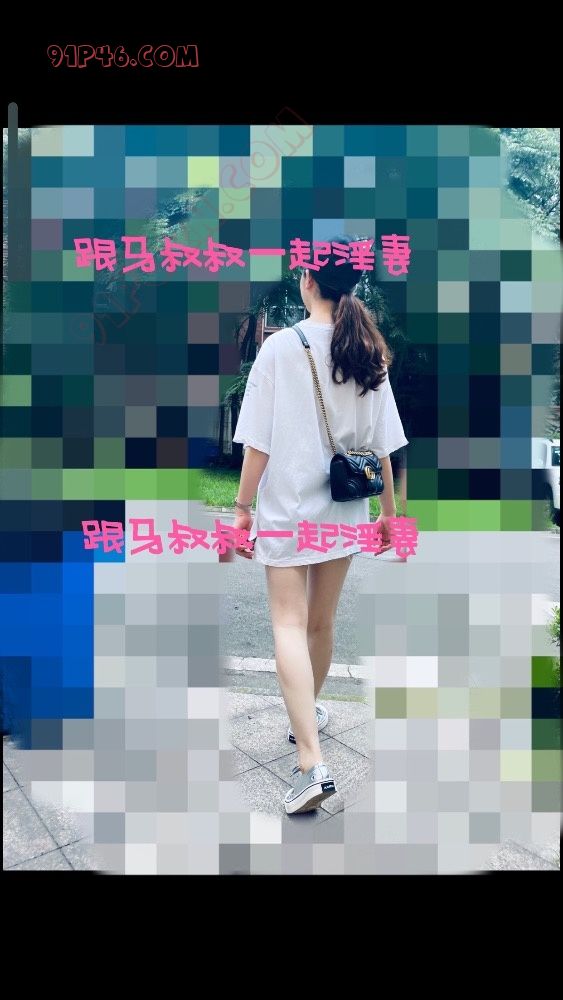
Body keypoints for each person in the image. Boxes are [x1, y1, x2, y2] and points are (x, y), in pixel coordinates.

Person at [231, 236, 409, 815]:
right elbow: (385, 445)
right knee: (321, 622)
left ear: (307, 278)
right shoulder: (369, 351)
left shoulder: (281, 348)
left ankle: (311, 762)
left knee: (288, 624)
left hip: (288, 509)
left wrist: (241, 508)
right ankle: (307, 714)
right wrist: (390, 514)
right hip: (345, 509)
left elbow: (257, 445)